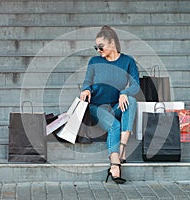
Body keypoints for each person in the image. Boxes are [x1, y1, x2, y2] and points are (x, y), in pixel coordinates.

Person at [80, 25, 140, 184]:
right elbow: (87, 81)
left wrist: (124, 93)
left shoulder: (127, 61)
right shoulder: (94, 61)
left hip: (115, 106)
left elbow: (135, 85)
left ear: (112, 43)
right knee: (114, 126)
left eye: (100, 47)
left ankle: (121, 148)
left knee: (131, 101)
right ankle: (115, 164)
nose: (98, 50)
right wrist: (85, 89)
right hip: (96, 108)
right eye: (96, 47)